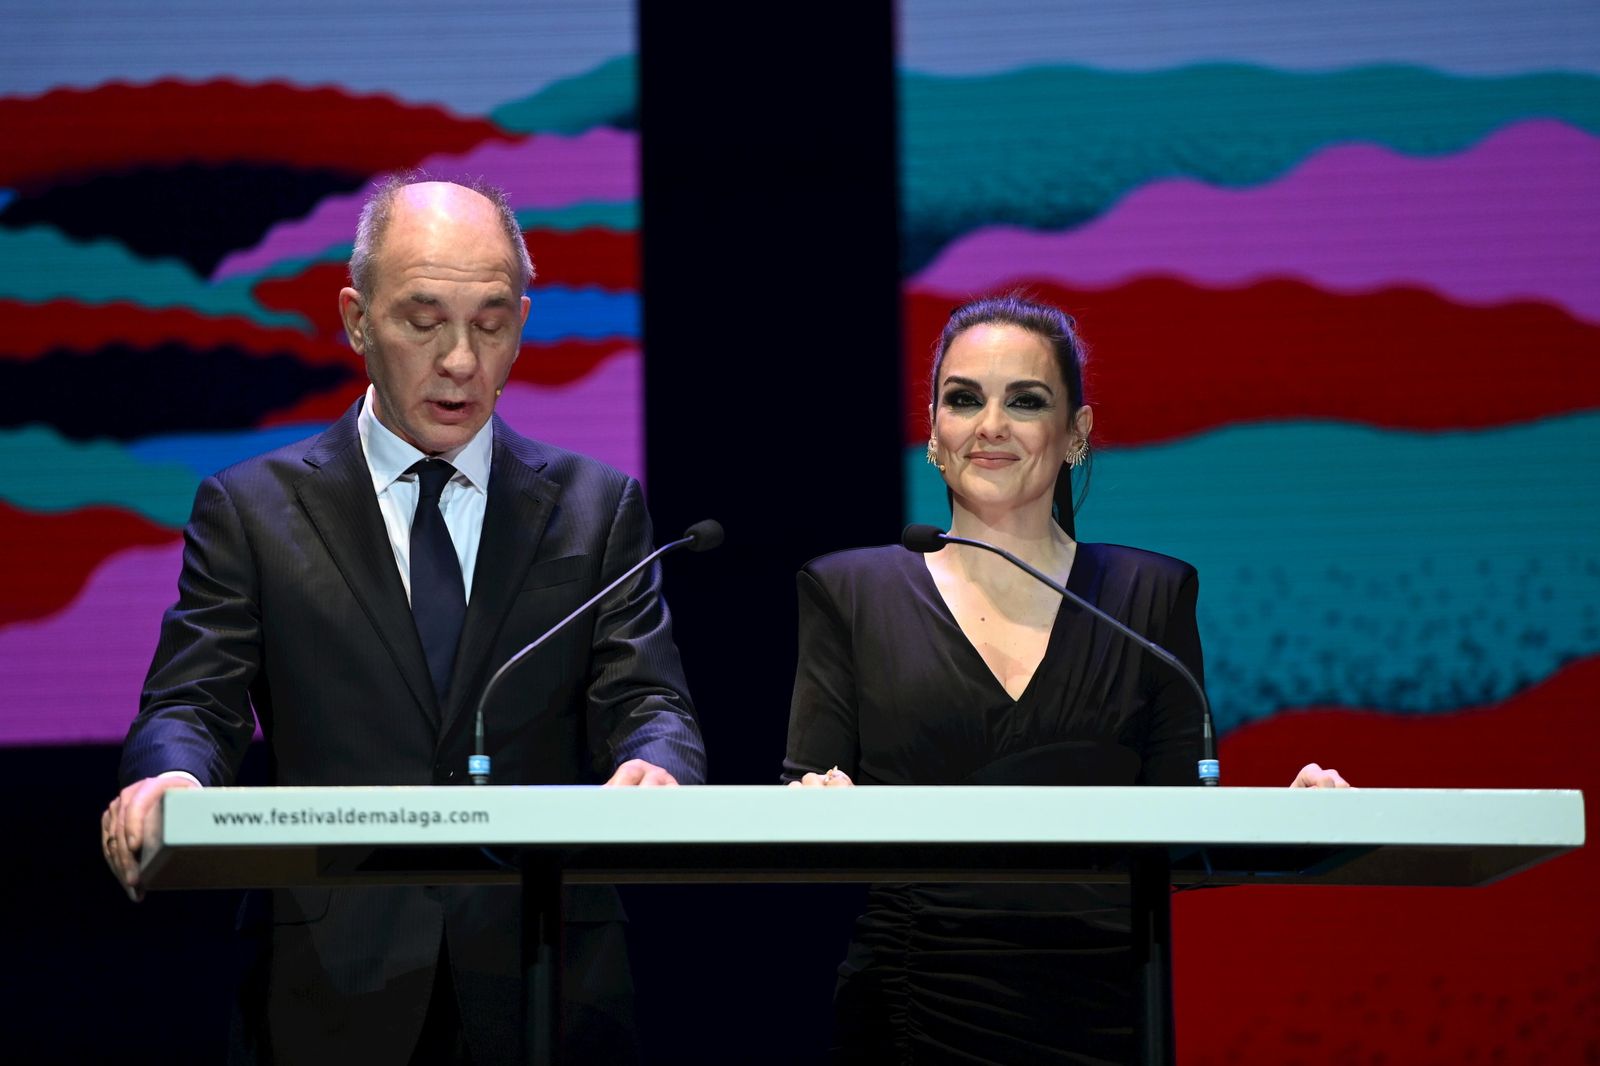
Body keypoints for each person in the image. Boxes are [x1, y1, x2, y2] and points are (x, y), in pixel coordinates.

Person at [100, 177, 705, 1065]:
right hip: (332, 982)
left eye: (491, 323)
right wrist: (175, 782)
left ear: (523, 323)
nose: (460, 359)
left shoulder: (596, 508)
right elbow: (193, 706)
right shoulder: (254, 510)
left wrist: (657, 764)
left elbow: (651, 702)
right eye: (423, 320)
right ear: (355, 319)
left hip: (541, 977)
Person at [783, 294, 1347, 1064]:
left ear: (1075, 434)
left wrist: (1292, 827)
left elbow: (1184, 834)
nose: (991, 425)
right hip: (914, 1003)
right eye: (963, 400)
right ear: (933, 435)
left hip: (1104, 1008)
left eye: (1026, 400)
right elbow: (803, 805)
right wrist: (818, 804)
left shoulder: (1151, 597)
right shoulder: (850, 592)